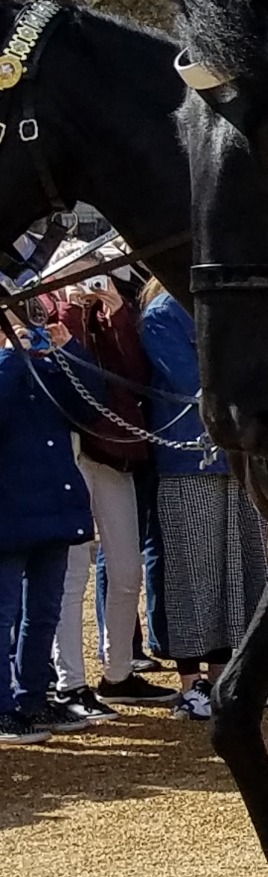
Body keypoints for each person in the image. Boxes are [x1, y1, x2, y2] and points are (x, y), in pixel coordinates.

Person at [138, 281, 267, 719]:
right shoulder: (161, 314)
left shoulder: (225, 307)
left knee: (242, 565)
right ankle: (191, 682)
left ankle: (226, 672)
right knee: (194, 572)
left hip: (238, 457)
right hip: (187, 459)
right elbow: (191, 383)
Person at [39, 244, 151, 714]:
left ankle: (119, 672)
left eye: (94, 276)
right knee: (72, 575)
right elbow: (68, 382)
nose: (87, 286)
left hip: (112, 451)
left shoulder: (105, 318)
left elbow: (134, 375)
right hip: (68, 454)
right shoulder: (46, 315)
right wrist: (69, 317)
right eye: (80, 276)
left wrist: (118, 314)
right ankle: (70, 682)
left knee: (126, 569)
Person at [1, 305, 93, 742]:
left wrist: (69, 350)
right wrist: (10, 356)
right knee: (3, 615)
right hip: (9, 510)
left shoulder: (37, 367)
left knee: (43, 612)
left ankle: (32, 698)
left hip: (54, 506)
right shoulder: (11, 365)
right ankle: (2, 706)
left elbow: (88, 406)